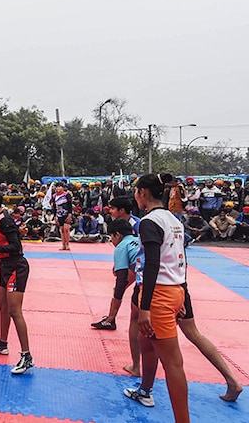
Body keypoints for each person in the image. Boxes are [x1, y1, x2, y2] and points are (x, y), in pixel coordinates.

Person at [122, 173, 189, 423]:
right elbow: (181, 259)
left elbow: (152, 264)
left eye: (137, 192)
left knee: (173, 363)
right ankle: (145, 391)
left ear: (143, 194)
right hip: (172, 290)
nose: (136, 195)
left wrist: (146, 307)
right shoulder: (174, 220)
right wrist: (181, 294)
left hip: (159, 294)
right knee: (145, 341)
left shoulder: (149, 222)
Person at [0, 189, 35, 375]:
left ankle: (27, 356)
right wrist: (0, 256)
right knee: (2, 305)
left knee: (14, 311)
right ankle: (3, 343)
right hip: (6, 265)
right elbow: (7, 245)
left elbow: (16, 247)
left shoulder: (5, 220)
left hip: (16, 268)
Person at [91, 218, 139, 331]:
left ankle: (110, 320)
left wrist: (111, 317)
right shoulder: (138, 241)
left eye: (111, 237)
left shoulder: (122, 246)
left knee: (137, 315)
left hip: (152, 281)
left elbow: (121, 281)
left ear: (117, 235)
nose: (111, 241)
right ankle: (111, 318)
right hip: (169, 278)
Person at [51, 184, 72, 250]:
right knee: (62, 230)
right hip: (59, 214)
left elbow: (70, 205)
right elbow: (54, 207)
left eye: (60, 186)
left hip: (66, 213)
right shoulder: (54, 196)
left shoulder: (67, 195)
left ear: (62, 188)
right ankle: (63, 244)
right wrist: (54, 216)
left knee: (66, 229)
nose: (58, 188)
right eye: (57, 187)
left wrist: (70, 214)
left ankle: (67, 244)